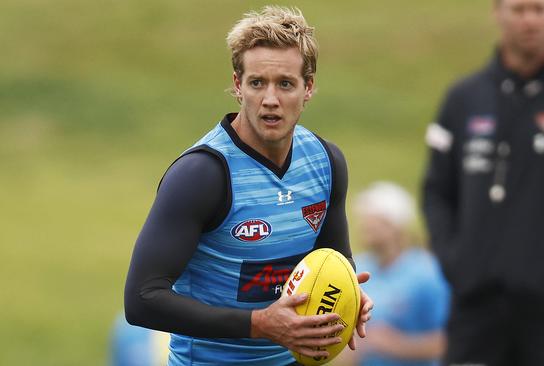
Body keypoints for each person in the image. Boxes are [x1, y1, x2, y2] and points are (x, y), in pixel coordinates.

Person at [124, 6, 373, 365]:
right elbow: (143, 299)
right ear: (238, 85)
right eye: (258, 83)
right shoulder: (202, 175)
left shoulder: (325, 162)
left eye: (285, 83)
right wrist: (259, 324)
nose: (270, 99)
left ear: (309, 88)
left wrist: (352, 295)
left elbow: (335, 258)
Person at [422, 1, 544, 365]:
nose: (530, 19)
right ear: (497, 12)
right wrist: (455, 259)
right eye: (518, 9)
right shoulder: (463, 98)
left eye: (539, 8)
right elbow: (436, 190)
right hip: (475, 307)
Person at [338, 182, 450, 366]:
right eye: (364, 218)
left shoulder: (427, 273)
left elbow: (446, 341)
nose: (366, 224)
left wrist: (393, 344)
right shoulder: (356, 268)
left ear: (396, 225)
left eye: (374, 219)